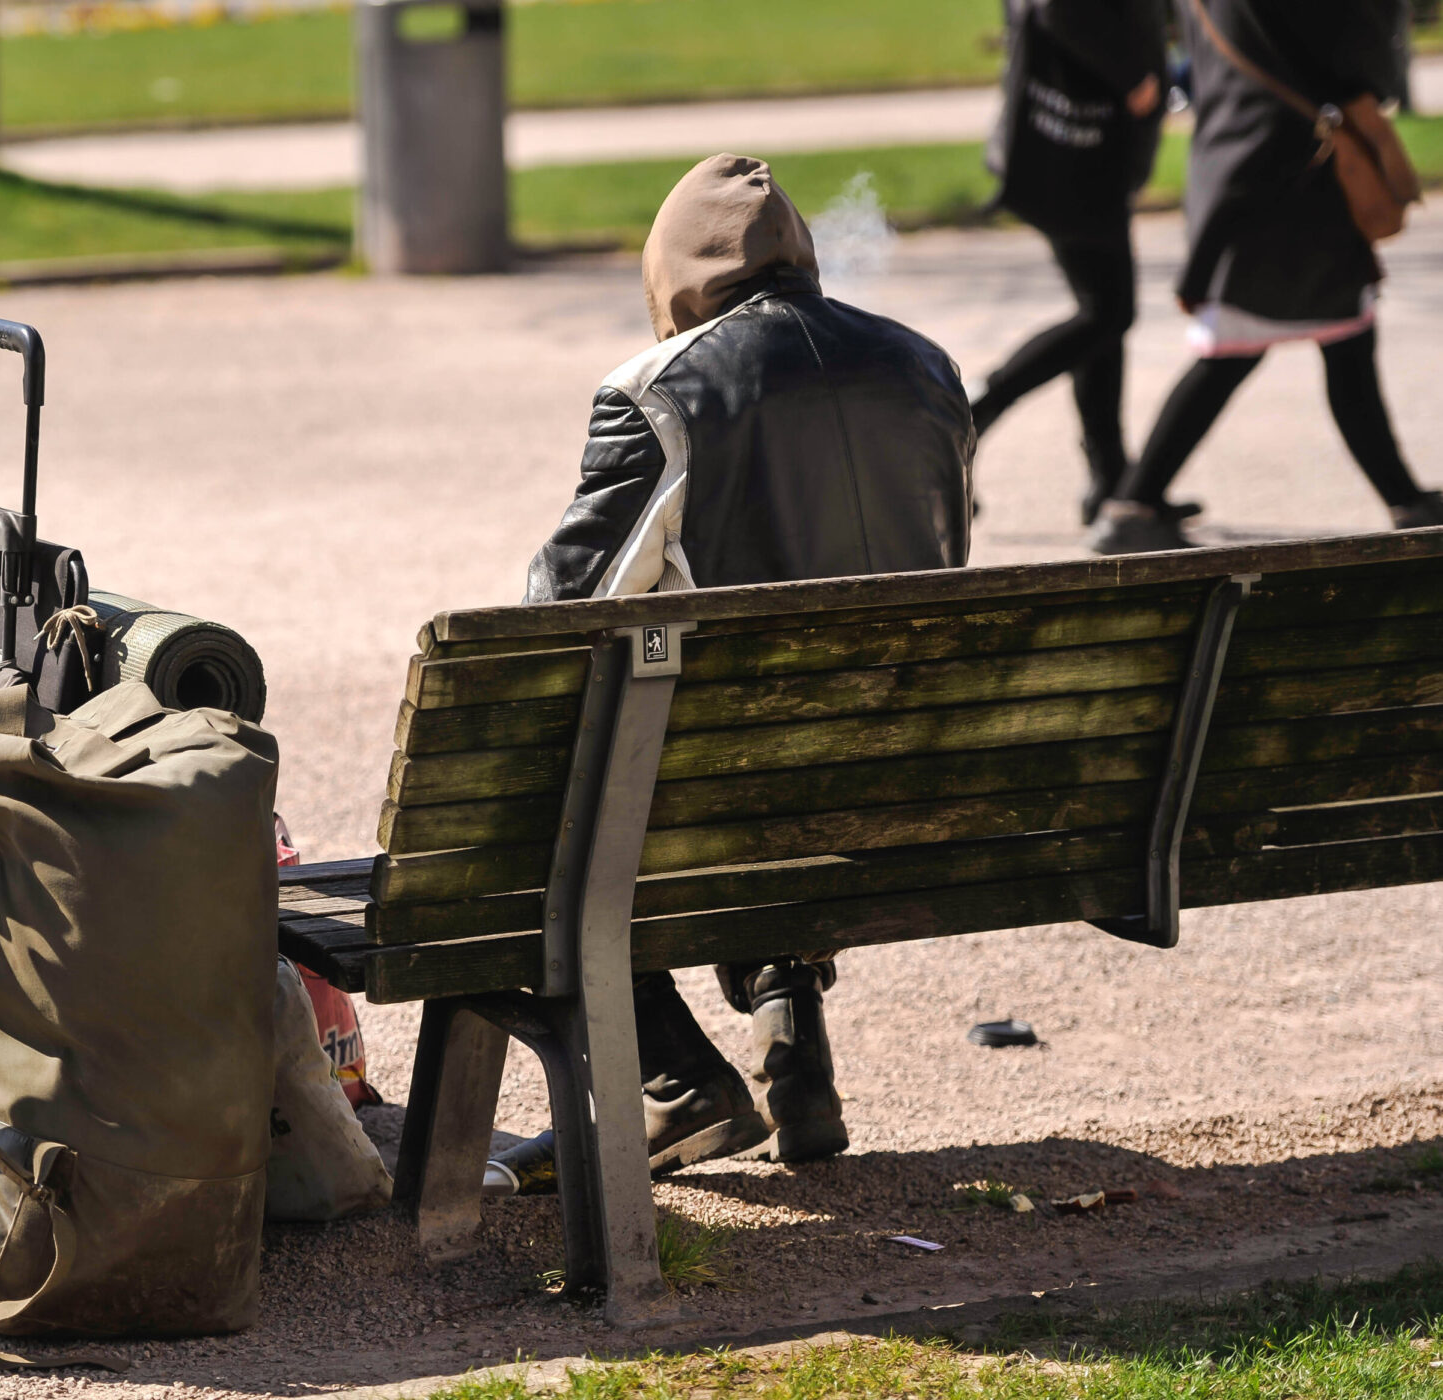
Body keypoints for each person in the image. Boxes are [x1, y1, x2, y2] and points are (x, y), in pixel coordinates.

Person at [506, 155, 973, 1179]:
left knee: (533, 793)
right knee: (771, 736)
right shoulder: (928, 369)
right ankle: (792, 1042)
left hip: (731, 794)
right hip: (909, 779)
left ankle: (677, 1081)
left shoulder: (660, 391)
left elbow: (560, 614)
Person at [1088, 0, 1440, 554]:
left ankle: (1404, 497)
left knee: (1329, 341)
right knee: (1245, 347)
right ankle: (1133, 506)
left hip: (1240, 154)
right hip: (1290, 166)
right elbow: (1356, 49)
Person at [974, 0, 1168, 526]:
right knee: (1109, 313)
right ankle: (973, 413)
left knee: (1102, 311)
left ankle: (1111, 477)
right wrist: (1133, 78)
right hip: (1077, 156)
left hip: (1081, 153)